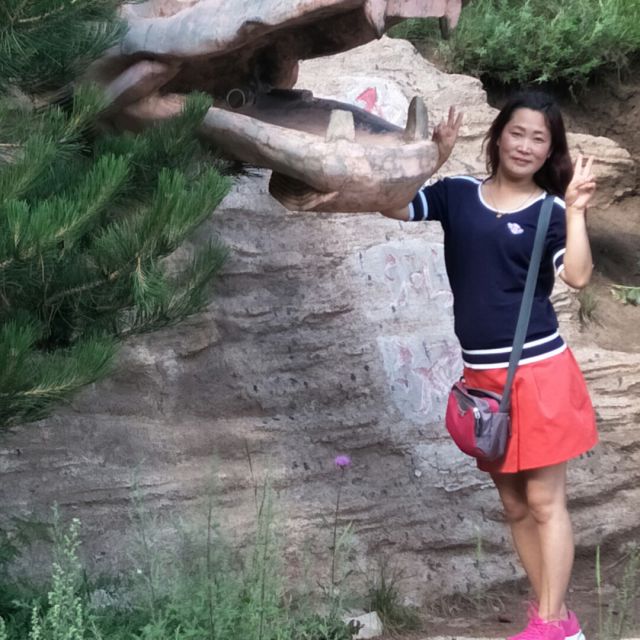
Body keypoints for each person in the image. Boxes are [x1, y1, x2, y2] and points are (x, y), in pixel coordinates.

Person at [381, 91, 598, 640]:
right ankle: (558, 621)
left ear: (550, 151)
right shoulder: (457, 195)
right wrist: (431, 160)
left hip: (540, 374)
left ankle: (551, 621)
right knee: (515, 505)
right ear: (498, 136)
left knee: (545, 501)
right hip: (482, 380)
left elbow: (577, 276)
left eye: (538, 139)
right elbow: (393, 205)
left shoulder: (550, 212)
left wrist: (575, 211)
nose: (525, 145)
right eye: (517, 132)